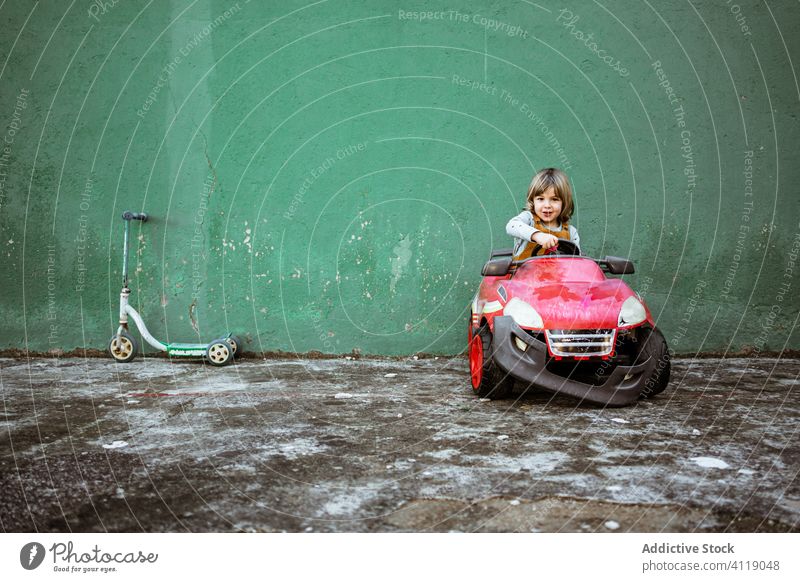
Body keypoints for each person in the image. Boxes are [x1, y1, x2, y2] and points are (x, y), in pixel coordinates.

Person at [505, 167, 580, 259]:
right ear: (533, 201)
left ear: (564, 203)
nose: (547, 205)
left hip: (557, 273)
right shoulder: (529, 219)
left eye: (554, 199)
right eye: (540, 199)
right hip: (524, 271)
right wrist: (537, 236)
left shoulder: (571, 232)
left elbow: (577, 262)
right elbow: (511, 226)